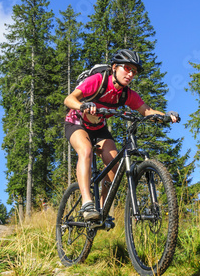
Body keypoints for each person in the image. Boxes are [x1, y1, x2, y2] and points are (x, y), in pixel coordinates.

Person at [64, 49, 179, 220]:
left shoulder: (126, 94)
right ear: (114, 67)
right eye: (127, 68)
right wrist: (83, 106)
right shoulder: (98, 80)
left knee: (114, 164)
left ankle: (101, 209)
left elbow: (146, 110)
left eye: (134, 71)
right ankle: (87, 204)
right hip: (77, 122)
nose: (130, 74)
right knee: (86, 151)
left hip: (99, 128)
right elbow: (69, 99)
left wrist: (165, 116)